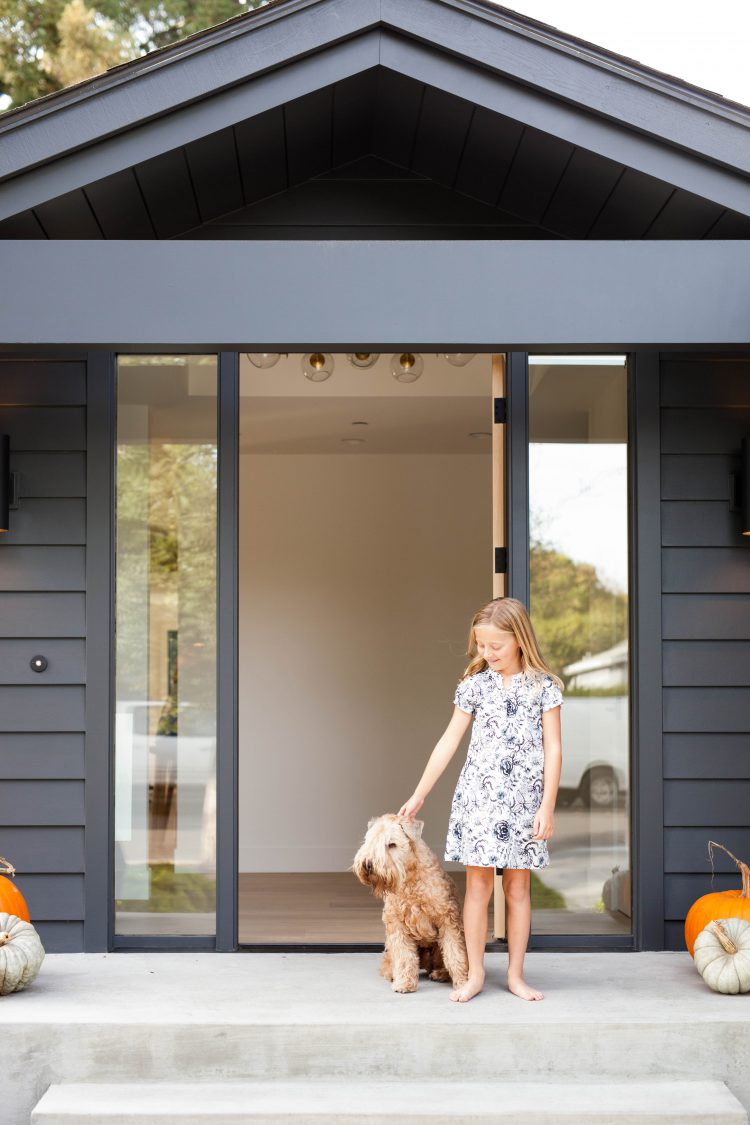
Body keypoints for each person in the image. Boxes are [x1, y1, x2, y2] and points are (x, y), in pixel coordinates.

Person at [398, 596, 563, 1004]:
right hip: (480, 802)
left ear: (520, 640)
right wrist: (419, 794)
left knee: (519, 889)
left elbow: (554, 749)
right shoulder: (473, 686)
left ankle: (516, 975)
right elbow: (449, 741)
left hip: (526, 803)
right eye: (481, 646)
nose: (486, 654)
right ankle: (473, 975)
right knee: (477, 887)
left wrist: (547, 806)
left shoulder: (544, 688)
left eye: (496, 647)